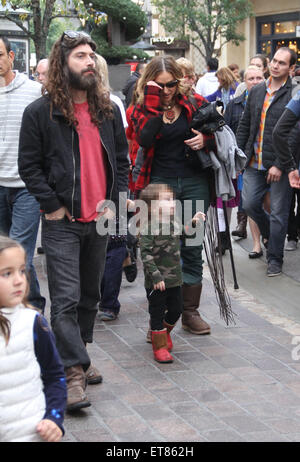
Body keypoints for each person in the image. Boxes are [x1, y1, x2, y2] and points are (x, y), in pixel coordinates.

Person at [18, 31, 129, 411]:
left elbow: (123, 161)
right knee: (64, 299)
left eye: (90, 57)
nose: (88, 63)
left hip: (99, 219)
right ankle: (73, 373)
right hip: (62, 219)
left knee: (89, 297)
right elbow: (29, 166)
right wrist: (51, 205)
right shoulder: (40, 113)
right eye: (80, 56)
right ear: (63, 63)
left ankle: (78, 353)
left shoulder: (108, 110)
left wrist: (117, 204)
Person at [131, 55, 216, 336]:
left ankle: (189, 311)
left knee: (192, 245)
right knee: (158, 248)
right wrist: (155, 105)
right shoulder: (141, 108)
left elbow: (218, 128)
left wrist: (206, 140)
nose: (167, 90)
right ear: (150, 83)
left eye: (171, 85)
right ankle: (160, 317)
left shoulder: (193, 103)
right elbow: (143, 139)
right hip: (159, 184)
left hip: (193, 181)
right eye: (161, 85)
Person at [236, 47, 299, 277]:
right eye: (274, 61)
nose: (275, 65)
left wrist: (280, 165)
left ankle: (274, 258)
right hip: (254, 162)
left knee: (280, 213)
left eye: (282, 63)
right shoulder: (257, 90)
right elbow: (246, 125)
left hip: (280, 166)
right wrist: (239, 156)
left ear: (291, 68)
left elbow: (293, 134)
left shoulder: (294, 93)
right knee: (250, 204)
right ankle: (267, 235)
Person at [0, 236, 67, 442]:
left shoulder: (33, 323)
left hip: (32, 434)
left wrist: (54, 419)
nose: (19, 279)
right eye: (7, 273)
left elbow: (55, 376)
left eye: (22, 270)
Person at [0, 34, 45, 313]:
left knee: (19, 257)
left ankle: (19, 318)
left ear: (11, 56)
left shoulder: (33, 91)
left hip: (27, 186)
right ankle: (36, 303)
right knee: (9, 254)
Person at [139, 183, 205, 363]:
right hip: (157, 282)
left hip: (175, 279)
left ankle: (163, 334)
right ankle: (159, 346)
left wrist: (193, 222)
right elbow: (145, 254)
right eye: (167, 200)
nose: (173, 203)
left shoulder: (173, 222)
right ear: (153, 206)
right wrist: (156, 276)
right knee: (157, 314)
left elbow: (183, 234)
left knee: (176, 309)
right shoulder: (148, 228)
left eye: (172, 199)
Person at [225, 65, 269, 258]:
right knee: (251, 203)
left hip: (270, 161)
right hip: (248, 162)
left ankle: (268, 236)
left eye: (259, 78)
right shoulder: (235, 104)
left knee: (267, 205)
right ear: (244, 81)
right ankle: (257, 244)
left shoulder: (271, 100)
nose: (255, 82)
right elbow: (230, 133)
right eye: (251, 78)